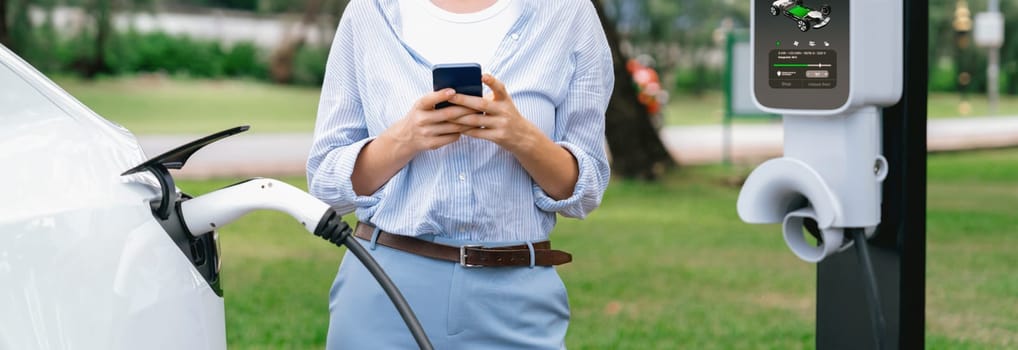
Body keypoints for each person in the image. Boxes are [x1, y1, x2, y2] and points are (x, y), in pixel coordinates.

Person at [306, 0, 613, 348]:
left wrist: (522, 137)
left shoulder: (567, 11)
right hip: (384, 290)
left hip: (516, 301)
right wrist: (404, 138)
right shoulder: (370, 11)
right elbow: (326, 184)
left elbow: (585, 193)